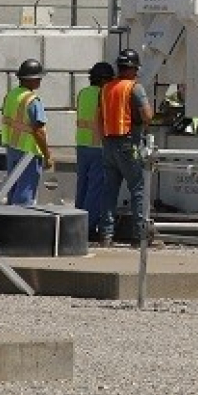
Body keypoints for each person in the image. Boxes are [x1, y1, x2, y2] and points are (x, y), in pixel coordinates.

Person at [97, 48, 155, 248]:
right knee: (138, 188)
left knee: (110, 191)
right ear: (131, 69)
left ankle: (106, 235)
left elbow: (99, 118)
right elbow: (147, 116)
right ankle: (139, 236)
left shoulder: (106, 88)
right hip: (128, 143)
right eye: (136, 68)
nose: (137, 73)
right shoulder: (134, 88)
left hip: (108, 143)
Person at [0, 58, 53, 205]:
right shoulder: (32, 100)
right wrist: (47, 155)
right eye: (38, 78)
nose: (40, 81)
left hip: (12, 149)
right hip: (28, 152)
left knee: (13, 188)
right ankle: (21, 223)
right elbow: (39, 131)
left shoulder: (11, 95)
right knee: (25, 193)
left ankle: (10, 221)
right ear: (31, 79)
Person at [74, 61, 114, 241]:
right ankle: (88, 227)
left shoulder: (83, 93)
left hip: (82, 145)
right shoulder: (104, 94)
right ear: (105, 80)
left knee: (82, 185)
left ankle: (75, 222)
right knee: (95, 188)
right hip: (98, 146)